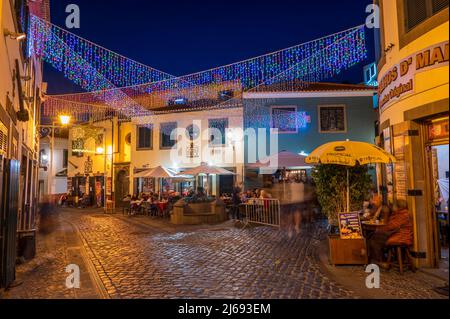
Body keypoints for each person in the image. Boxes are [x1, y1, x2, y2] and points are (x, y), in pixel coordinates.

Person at [367, 200, 413, 265]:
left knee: (375, 239)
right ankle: (379, 259)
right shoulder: (402, 213)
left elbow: (391, 226)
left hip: (400, 237)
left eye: (394, 206)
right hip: (399, 235)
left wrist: (379, 229)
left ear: (399, 207)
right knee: (375, 236)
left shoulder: (402, 215)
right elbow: (391, 226)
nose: (392, 207)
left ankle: (377, 261)